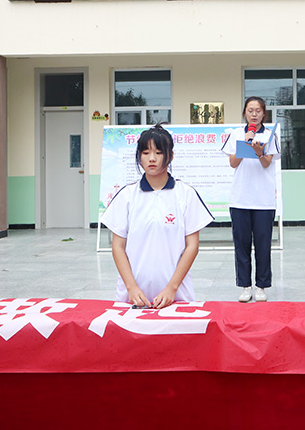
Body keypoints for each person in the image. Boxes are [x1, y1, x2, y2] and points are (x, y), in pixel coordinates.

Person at [101, 124, 213, 309]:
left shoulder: (185, 194)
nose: (152, 158)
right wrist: (132, 288)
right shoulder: (127, 196)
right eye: (145, 152)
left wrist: (172, 288)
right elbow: (118, 247)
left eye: (158, 152)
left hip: (177, 296)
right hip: (132, 298)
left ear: (171, 155)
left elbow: (192, 246)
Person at [221, 96, 281, 303]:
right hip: (240, 199)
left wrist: (258, 152)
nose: (254, 114)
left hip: (263, 201)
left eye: (258, 110)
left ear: (264, 113)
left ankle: (261, 286)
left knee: (263, 245)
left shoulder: (270, 135)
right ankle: (245, 286)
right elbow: (233, 163)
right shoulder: (237, 133)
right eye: (250, 110)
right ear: (245, 113)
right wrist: (245, 144)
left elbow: (266, 164)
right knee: (242, 245)